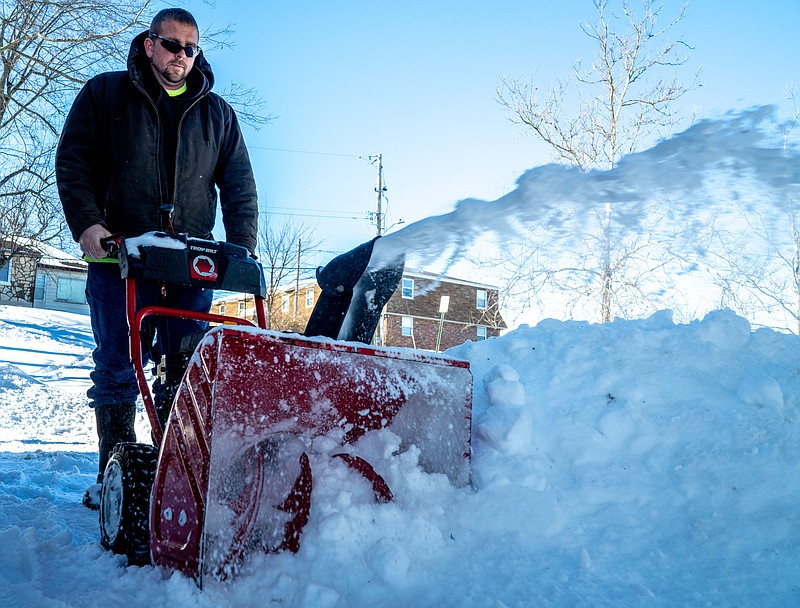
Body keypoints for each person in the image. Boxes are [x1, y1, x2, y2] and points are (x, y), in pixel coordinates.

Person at [55, 8, 258, 509]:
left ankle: (176, 477)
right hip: (119, 255)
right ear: (149, 45)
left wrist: (242, 245)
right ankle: (114, 481)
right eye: (172, 46)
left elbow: (238, 185)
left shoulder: (217, 112)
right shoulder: (105, 94)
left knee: (185, 367)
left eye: (191, 49)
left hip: (190, 261)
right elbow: (73, 160)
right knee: (120, 367)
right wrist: (88, 224)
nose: (182, 58)